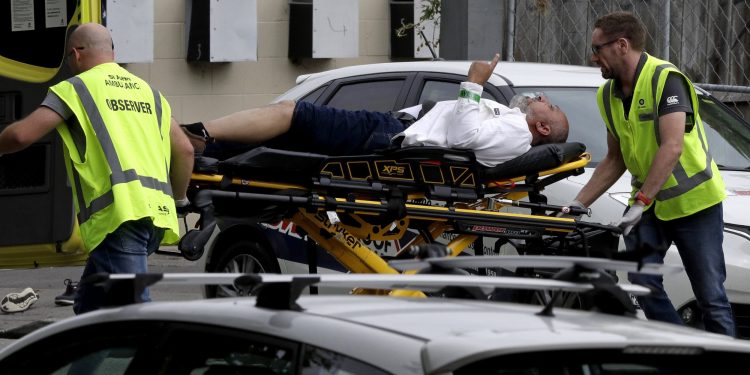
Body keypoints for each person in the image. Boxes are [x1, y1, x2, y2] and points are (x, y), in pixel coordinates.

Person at [0, 23, 194, 314]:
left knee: (137, 317)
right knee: (89, 313)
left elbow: (20, 136)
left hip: (118, 221)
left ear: (76, 54)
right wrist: (178, 202)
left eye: (67, 58)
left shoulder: (76, 88)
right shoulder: (150, 92)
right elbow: (185, 150)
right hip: (155, 219)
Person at [566, 12, 734, 336]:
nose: (592, 57)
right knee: (643, 283)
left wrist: (641, 202)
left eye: (598, 48)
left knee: (710, 296)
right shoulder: (607, 94)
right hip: (649, 205)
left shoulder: (665, 80)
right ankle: (682, 349)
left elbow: (672, 147)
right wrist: (577, 203)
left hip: (694, 203)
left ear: (621, 45)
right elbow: (615, 159)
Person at [182, 54, 569, 167]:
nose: (538, 98)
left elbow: (464, 137)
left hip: (391, 136)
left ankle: (194, 133)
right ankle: (202, 150)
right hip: (394, 128)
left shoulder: (518, 131)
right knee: (284, 135)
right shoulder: (512, 121)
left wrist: (473, 82)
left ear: (543, 129)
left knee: (291, 112)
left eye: (546, 105)